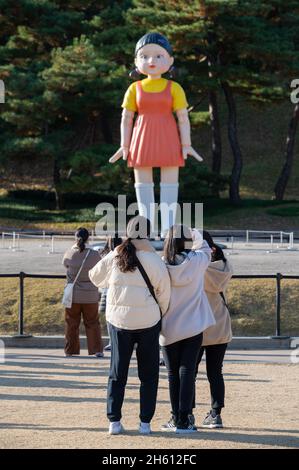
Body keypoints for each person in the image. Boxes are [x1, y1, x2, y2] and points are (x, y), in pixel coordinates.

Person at [109, 32, 203, 236]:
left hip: (168, 138)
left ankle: (169, 229)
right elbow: (126, 119)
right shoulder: (134, 89)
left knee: (170, 185)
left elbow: (183, 118)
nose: (151, 61)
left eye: (159, 56)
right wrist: (124, 145)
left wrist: (186, 144)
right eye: (144, 56)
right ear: (136, 61)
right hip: (141, 139)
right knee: (142, 185)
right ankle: (147, 229)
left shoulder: (174, 88)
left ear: (170, 60)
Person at [89, 216, 171, 435]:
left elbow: (94, 277)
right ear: (148, 232)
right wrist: (158, 313)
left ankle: (114, 421)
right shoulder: (155, 260)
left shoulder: (117, 254)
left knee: (117, 373)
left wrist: (111, 281)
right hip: (148, 321)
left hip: (118, 321)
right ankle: (145, 423)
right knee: (149, 375)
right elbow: (165, 294)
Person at [160, 225, 215, 433]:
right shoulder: (197, 261)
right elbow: (207, 248)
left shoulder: (162, 264)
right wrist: (193, 231)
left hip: (168, 326)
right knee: (187, 371)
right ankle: (185, 419)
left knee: (172, 374)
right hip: (193, 325)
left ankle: (175, 417)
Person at [192, 230, 233, 429]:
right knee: (215, 373)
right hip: (220, 326)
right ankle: (216, 413)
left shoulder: (197, 268)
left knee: (189, 372)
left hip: (198, 326)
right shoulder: (225, 266)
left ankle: (186, 411)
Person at [62, 227, 103, 357]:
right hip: (90, 296)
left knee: (71, 323)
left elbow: (65, 265)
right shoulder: (95, 255)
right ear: (88, 238)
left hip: (73, 296)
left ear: (75, 238)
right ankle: (96, 350)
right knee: (92, 323)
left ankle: (71, 350)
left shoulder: (69, 253)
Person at [98, 234, 123, 352]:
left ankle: (112, 342)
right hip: (120, 290)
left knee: (110, 318)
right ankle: (117, 342)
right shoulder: (123, 254)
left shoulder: (104, 255)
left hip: (107, 290)